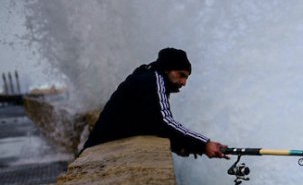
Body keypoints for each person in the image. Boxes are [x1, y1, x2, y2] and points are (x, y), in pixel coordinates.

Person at [83, 48, 228, 158]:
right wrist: (205, 144)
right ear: (167, 69)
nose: (184, 83)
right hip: (99, 150)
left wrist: (185, 147)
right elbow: (164, 122)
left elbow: (150, 123)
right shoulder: (154, 80)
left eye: (187, 78)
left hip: (96, 148)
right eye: (181, 75)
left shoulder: (147, 75)